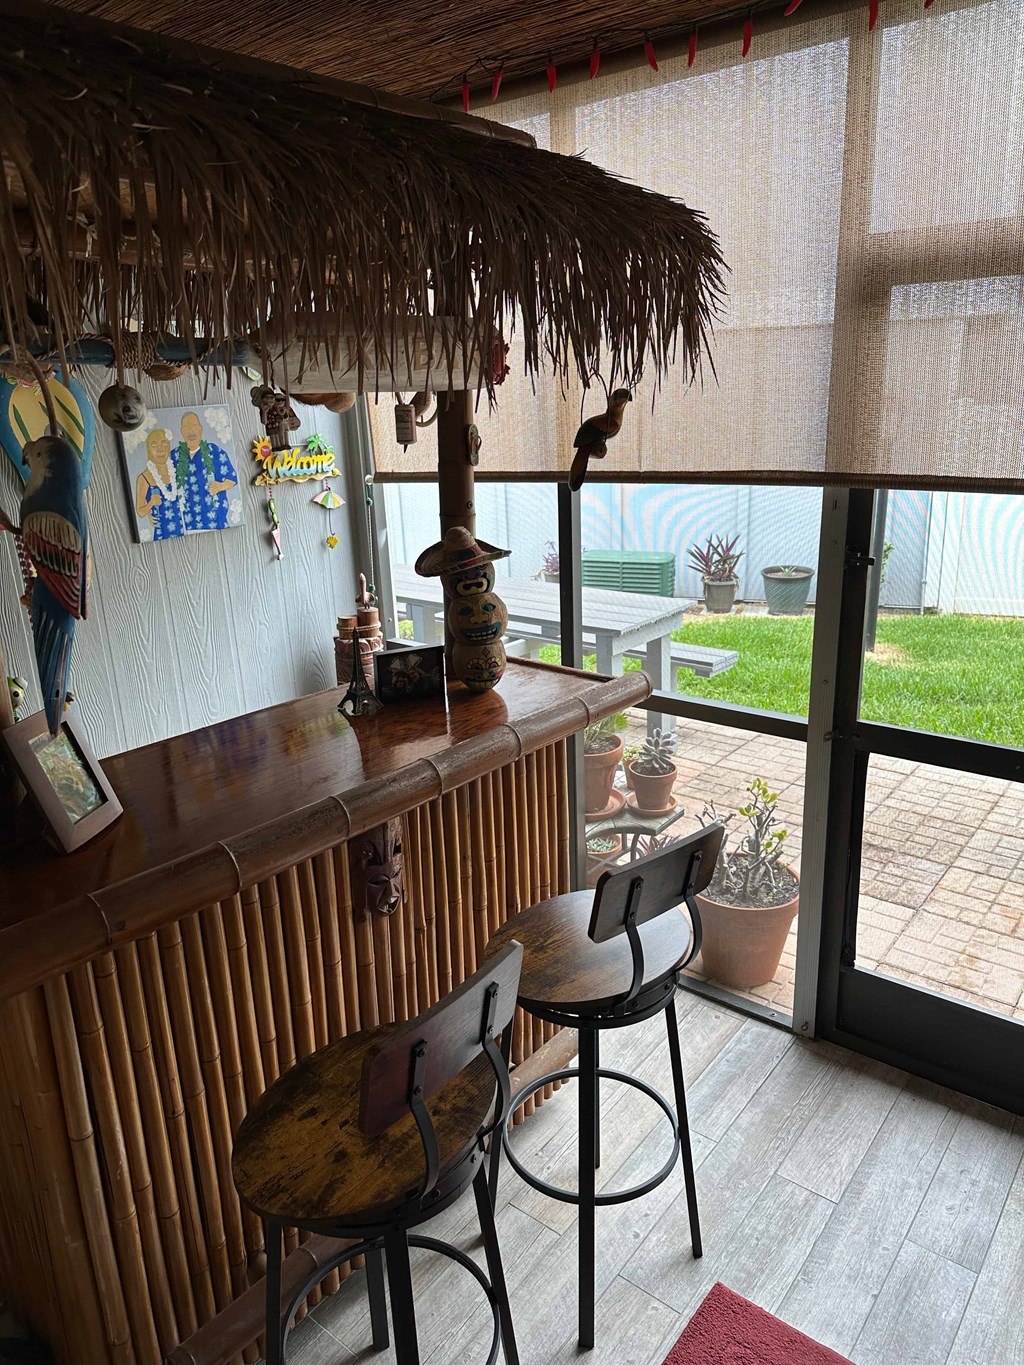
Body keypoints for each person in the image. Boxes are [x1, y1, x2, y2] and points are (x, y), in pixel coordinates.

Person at [175, 411, 238, 532]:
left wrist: (221, 486)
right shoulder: (175, 456)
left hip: (215, 522)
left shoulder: (214, 451)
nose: (191, 432)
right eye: (186, 428)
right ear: (181, 431)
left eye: (194, 426)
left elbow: (232, 478)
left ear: (200, 429)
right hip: (186, 525)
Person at [134, 427, 186, 540]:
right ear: (149, 450)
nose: (160, 450)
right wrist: (151, 503)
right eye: (154, 445)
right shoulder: (144, 478)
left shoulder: (176, 471)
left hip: (183, 532)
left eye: (164, 444)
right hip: (162, 535)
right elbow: (140, 511)